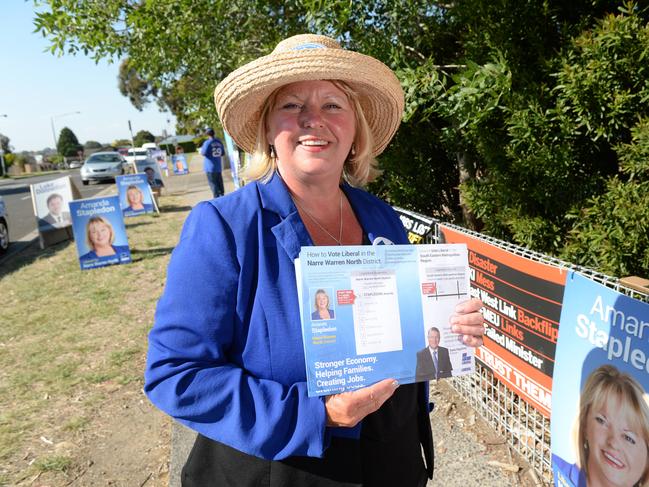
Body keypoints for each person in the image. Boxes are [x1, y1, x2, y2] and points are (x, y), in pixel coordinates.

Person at [144, 33, 485, 487]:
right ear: (267, 130)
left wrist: (449, 326)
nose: (313, 121)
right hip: (281, 469)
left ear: (354, 129)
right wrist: (317, 413)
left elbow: (403, 338)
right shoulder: (224, 226)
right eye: (291, 106)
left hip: (390, 460)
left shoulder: (382, 218)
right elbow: (176, 375)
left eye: (332, 105)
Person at [553, 364, 649, 487]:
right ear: (584, 425)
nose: (613, 442)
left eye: (629, 437)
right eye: (602, 421)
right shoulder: (560, 469)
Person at [200, 127, 226, 198]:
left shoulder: (207, 143)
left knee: (213, 184)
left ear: (207, 134)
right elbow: (223, 153)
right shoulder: (219, 142)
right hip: (218, 167)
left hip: (210, 167)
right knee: (220, 184)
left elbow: (203, 153)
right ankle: (222, 197)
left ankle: (216, 199)